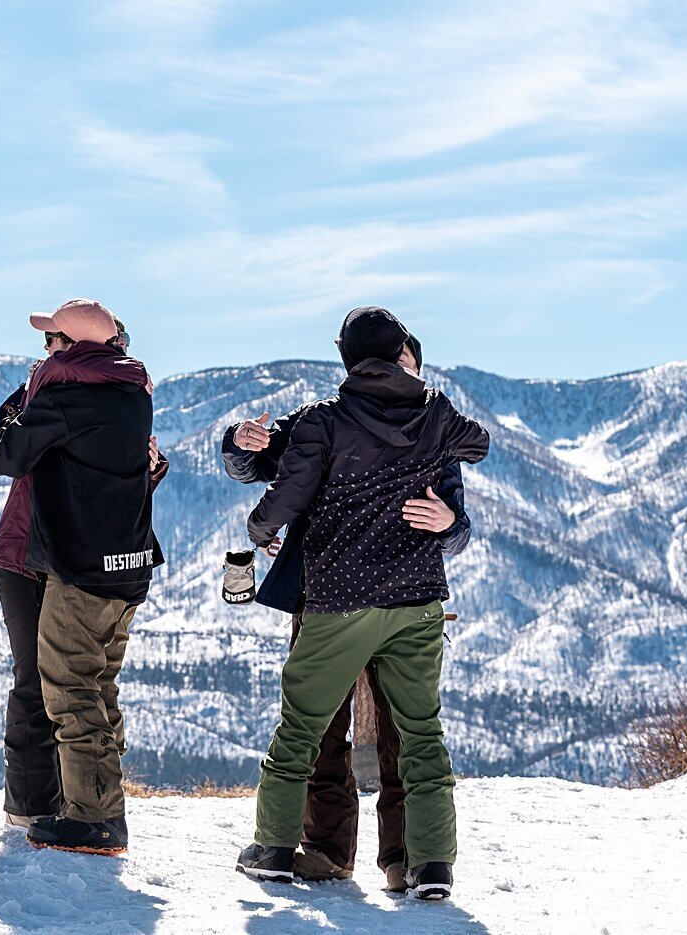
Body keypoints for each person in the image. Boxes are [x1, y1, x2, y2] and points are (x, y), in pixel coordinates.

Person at [234, 306, 489, 901]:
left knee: (303, 725)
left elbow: (288, 493)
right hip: (416, 599)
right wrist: (429, 411)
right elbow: (477, 442)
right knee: (421, 732)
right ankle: (430, 865)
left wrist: (258, 528)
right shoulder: (435, 415)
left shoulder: (327, 419)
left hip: (340, 599)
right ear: (400, 353)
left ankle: (273, 848)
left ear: (347, 358)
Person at [0, 299, 163, 855]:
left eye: (52, 341)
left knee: (66, 687)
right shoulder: (135, 396)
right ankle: (95, 805)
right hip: (126, 566)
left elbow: (2, 455)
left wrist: (38, 391)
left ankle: (92, 817)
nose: (44, 351)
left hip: (74, 565)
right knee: (98, 687)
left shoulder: (62, 395)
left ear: (72, 347)